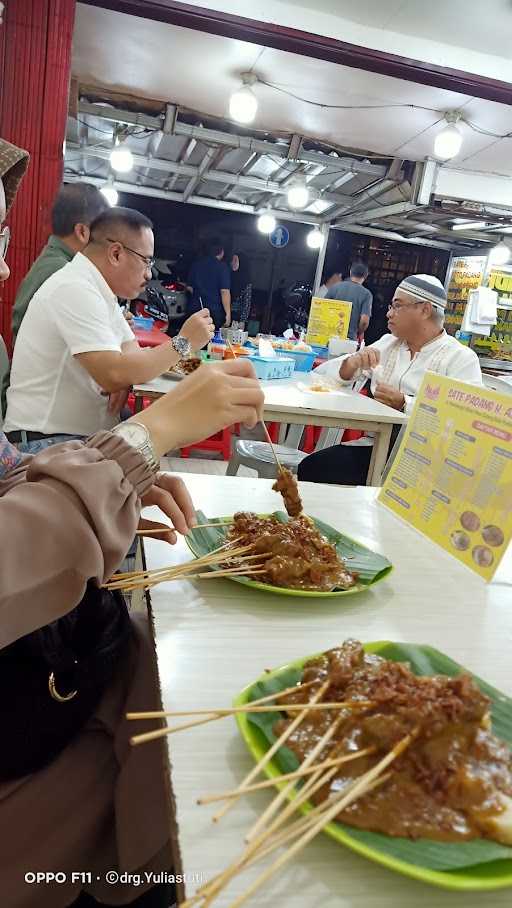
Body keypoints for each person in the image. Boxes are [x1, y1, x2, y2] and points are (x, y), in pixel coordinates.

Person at [0, 136, 265, 908]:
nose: (4, 265)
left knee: (165, 640)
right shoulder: (79, 285)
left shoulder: (94, 291)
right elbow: (119, 375)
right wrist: (135, 448)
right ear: (112, 250)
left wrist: (122, 473)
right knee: (174, 692)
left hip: (52, 464)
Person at [4, 207, 215, 452]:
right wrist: (183, 342)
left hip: (73, 437)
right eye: (146, 260)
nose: (149, 273)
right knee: (163, 442)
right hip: (44, 442)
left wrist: (126, 377)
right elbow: (114, 373)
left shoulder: (101, 294)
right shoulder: (74, 288)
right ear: (116, 253)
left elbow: (132, 359)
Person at [298, 274, 483, 486]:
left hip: (427, 462)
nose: (388, 314)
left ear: (425, 310)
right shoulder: (388, 343)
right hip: (377, 447)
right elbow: (322, 375)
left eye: (397, 306)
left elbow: (469, 420)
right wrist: (352, 364)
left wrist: (406, 403)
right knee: (314, 468)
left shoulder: (460, 358)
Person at [1, 182, 109, 416]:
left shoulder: (60, 265)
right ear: (83, 232)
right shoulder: (63, 275)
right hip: (38, 411)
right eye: (107, 238)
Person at [187, 238, 231, 329]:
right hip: (214, 312)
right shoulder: (222, 267)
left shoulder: (196, 265)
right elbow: (224, 292)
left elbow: (189, 288)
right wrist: (228, 314)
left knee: (193, 338)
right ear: (221, 252)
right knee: (210, 339)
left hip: (195, 309)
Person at [325, 262, 373, 340]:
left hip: (329, 335)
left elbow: (323, 308)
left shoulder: (335, 287)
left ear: (350, 272)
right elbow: (364, 321)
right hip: (349, 339)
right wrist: (359, 332)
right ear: (366, 275)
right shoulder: (366, 294)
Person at [230, 251, 252, 325]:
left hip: (237, 319)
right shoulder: (227, 275)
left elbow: (247, 303)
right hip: (223, 315)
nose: (232, 263)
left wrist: (242, 321)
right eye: (232, 260)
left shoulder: (246, 281)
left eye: (235, 260)